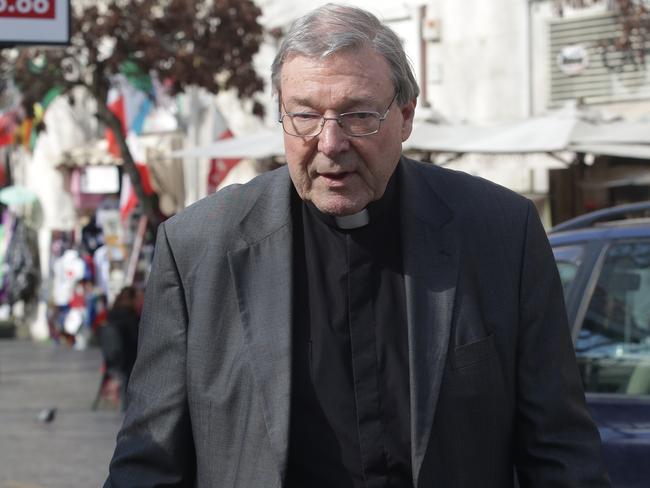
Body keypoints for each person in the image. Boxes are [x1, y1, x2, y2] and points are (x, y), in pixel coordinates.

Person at [105, 4, 610, 487]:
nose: (330, 143)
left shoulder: (501, 233)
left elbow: (560, 452)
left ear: (406, 116)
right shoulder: (198, 247)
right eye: (304, 115)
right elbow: (148, 463)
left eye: (358, 115)